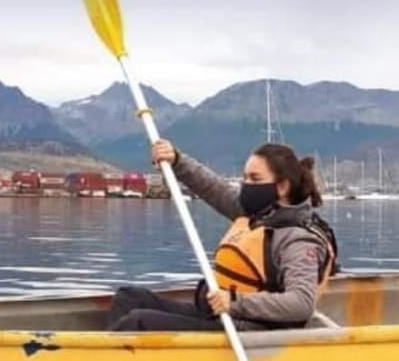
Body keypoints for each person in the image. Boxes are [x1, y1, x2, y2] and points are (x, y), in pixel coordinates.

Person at [107, 140, 339, 331]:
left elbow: (301, 303)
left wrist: (234, 302)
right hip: (219, 315)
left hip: (251, 330)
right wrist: (176, 160)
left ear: (282, 187)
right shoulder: (258, 215)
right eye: (245, 177)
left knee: (138, 322)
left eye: (255, 179)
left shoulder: (298, 239)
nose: (246, 185)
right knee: (129, 298)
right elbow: (213, 188)